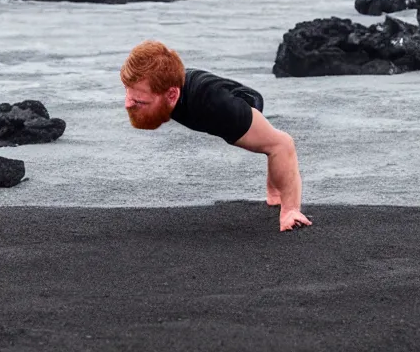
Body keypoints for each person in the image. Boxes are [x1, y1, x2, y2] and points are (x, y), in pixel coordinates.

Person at [120, 40, 312, 232]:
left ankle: (288, 208)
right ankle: (276, 194)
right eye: (127, 95)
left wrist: (291, 210)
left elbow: (283, 144)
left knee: (274, 144)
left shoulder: (217, 107)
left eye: (138, 101)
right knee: (269, 147)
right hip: (205, 94)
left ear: (171, 95)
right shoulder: (164, 87)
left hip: (238, 101)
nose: (127, 104)